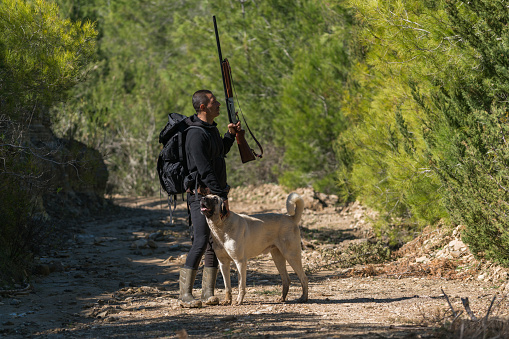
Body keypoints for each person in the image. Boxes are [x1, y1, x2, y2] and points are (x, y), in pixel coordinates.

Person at [178, 89, 240, 308]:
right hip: (201, 197)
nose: (219, 104)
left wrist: (229, 136)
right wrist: (221, 196)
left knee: (214, 243)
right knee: (201, 240)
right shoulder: (195, 134)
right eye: (214, 102)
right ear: (203, 107)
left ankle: (208, 293)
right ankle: (185, 295)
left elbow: (218, 152)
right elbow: (204, 170)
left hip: (214, 195)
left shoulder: (210, 130)